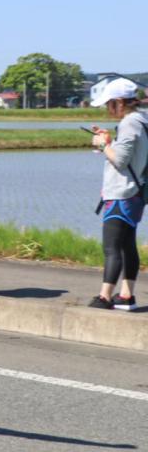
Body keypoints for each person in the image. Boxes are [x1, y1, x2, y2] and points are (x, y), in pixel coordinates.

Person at [87, 76, 148, 310]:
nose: (107, 108)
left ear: (121, 102)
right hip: (135, 192)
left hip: (121, 193)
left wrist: (103, 145)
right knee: (127, 245)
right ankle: (126, 296)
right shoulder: (141, 120)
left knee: (111, 247)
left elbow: (120, 161)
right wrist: (111, 141)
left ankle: (104, 296)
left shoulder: (129, 123)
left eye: (109, 103)